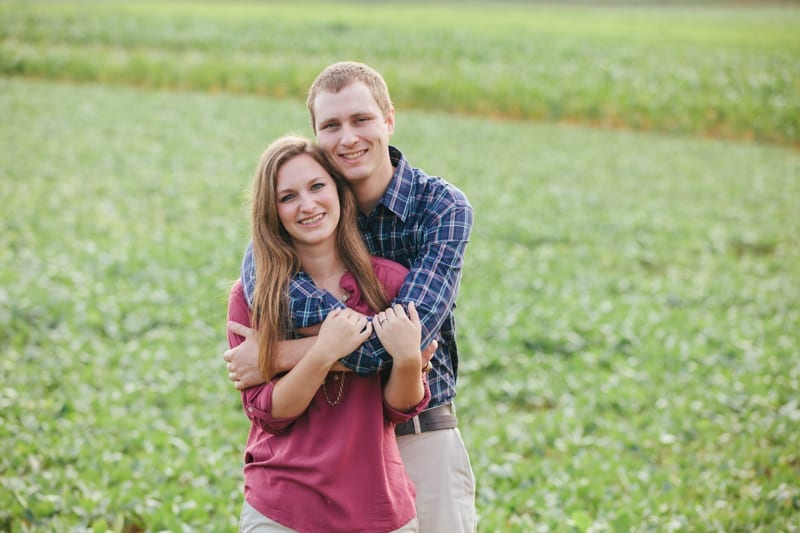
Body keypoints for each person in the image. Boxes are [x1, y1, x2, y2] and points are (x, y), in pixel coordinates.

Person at [225, 61, 477, 532]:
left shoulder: (441, 207)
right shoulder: (314, 205)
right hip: (331, 445)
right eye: (331, 125)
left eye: (361, 119)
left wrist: (278, 354)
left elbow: (411, 337)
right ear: (315, 135)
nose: (348, 138)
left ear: (389, 120)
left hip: (421, 430)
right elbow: (261, 278)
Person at [228, 135, 432, 532]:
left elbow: (398, 408)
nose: (307, 205)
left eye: (317, 187)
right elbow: (271, 414)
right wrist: (321, 353)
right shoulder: (252, 296)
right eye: (287, 197)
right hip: (283, 510)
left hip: (378, 507)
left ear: (339, 191)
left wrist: (407, 359)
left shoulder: (390, 285)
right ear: (271, 212)